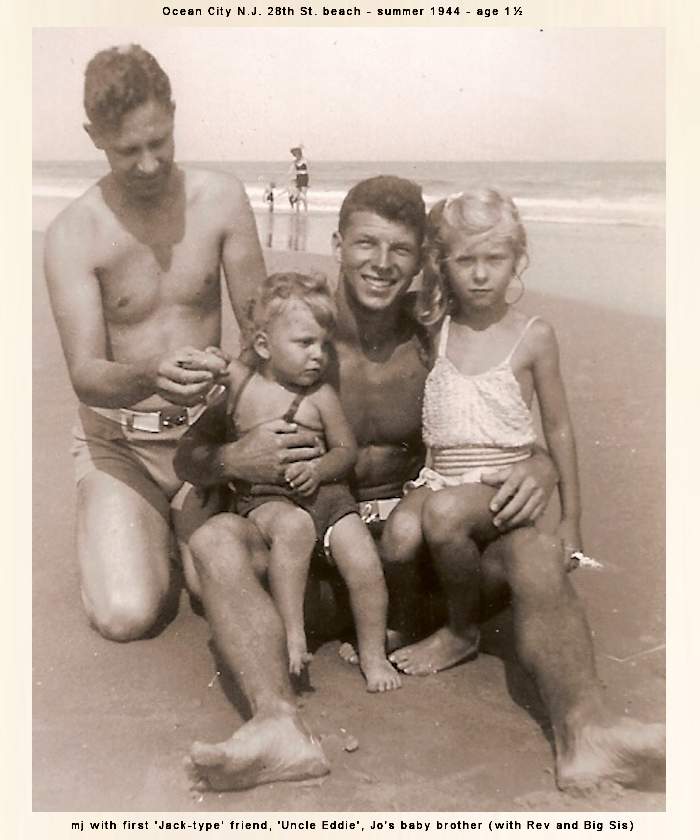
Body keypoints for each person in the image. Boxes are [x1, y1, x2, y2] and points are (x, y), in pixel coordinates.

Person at [175, 176, 664, 794]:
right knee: (218, 540)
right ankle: (278, 728)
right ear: (337, 244)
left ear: (420, 260)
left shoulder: (433, 335)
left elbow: (492, 428)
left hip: (422, 573)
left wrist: (537, 465)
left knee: (533, 546)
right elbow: (191, 454)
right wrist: (234, 460)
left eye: (400, 250)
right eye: (366, 244)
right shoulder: (299, 332)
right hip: (321, 573)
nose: (381, 264)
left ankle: (587, 737)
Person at [43, 44, 267, 642]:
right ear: (95, 136)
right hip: (120, 444)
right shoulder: (73, 232)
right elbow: (86, 373)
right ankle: (118, 518)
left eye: (158, 142)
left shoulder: (221, 199)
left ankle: (163, 530)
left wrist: (235, 411)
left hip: (208, 441)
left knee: (217, 585)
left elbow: (261, 333)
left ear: (173, 114)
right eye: (127, 150)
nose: (147, 164)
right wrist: (149, 375)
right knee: (129, 613)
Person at [381, 188, 583, 675]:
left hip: (500, 488)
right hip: (438, 478)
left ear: (517, 259)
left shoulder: (533, 334)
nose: (478, 274)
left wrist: (571, 518)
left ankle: (462, 631)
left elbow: (558, 426)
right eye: (464, 259)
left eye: (494, 258)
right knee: (399, 535)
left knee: (446, 515)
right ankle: (406, 621)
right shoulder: (437, 328)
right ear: (443, 263)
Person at [211, 271, 401, 690]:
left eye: (322, 344)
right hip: (266, 498)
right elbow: (216, 374)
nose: (318, 356)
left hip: (327, 495)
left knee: (363, 557)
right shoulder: (243, 387)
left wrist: (318, 470)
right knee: (293, 530)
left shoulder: (320, 397)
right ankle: (293, 636)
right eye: (304, 343)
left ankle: (373, 654)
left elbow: (345, 452)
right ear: (263, 345)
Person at [289, 146, 309, 212]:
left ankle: (305, 209)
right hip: (298, 176)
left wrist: (300, 148)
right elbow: (291, 170)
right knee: (297, 194)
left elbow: (305, 162)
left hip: (304, 177)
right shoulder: (295, 162)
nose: (295, 156)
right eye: (294, 155)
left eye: (295, 154)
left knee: (303, 194)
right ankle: (297, 209)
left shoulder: (304, 160)